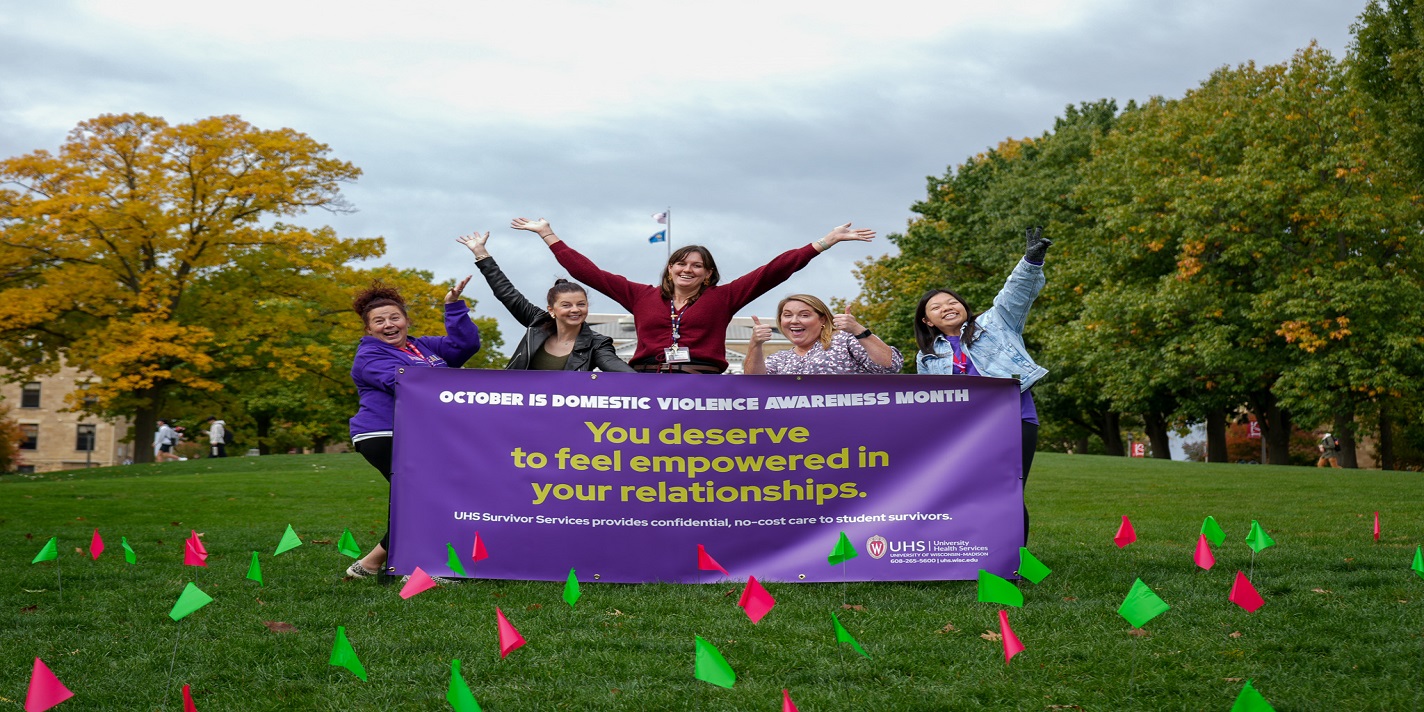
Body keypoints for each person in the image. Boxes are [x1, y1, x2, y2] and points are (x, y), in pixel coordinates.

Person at [511, 217, 875, 373]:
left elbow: (775, 269)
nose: (688, 269)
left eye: (697, 266)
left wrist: (824, 242)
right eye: (680, 263)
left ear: (709, 274)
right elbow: (587, 273)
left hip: (699, 384)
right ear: (669, 269)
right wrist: (548, 234)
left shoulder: (725, 297)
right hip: (646, 382)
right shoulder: (640, 296)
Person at [914, 227, 1051, 542]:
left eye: (952, 302)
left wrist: (1031, 261)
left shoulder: (997, 323)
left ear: (963, 306)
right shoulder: (927, 357)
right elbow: (930, 404)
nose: (947, 307)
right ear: (927, 321)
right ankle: (977, 552)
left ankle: (1014, 563)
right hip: (967, 432)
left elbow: (1015, 292)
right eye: (936, 307)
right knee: (975, 493)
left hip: (1016, 420)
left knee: (1010, 489)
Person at [346, 275, 481, 580]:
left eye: (395, 317)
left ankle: (369, 564)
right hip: (384, 435)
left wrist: (454, 307)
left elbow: (466, 344)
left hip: (421, 438)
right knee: (425, 497)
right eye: (379, 321)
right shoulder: (369, 356)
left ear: (406, 320)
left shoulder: (422, 348)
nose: (389, 324)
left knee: (417, 499)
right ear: (369, 329)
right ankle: (421, 568)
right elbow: (406, 384)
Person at [457, 231, 634, 372]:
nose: (575, 310)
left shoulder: (598, 344)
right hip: (517, 409)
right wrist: (481, 253)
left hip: (561, 414)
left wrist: (655, 386)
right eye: (566, 305)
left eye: (581, 304)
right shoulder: (536, 322)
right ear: (552, 310)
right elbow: (506, 293)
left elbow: (620, 371)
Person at [744, 294, 902, 375]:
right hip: (801, 432)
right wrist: (755, 344)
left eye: (804, 315)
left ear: (823, 320)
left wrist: (857, 330)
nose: (794, 321)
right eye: (787, 315)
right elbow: (755, 387)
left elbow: (889, 366)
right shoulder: (780, 359)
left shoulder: (844, 341)